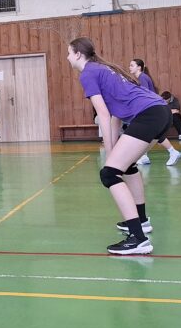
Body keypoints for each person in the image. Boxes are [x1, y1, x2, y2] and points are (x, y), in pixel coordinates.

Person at [68, 38, 168, 255]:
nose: (67, 57)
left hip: (149, 115)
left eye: (69, 53)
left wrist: (109, 154)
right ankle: (141, 221)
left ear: (77, 54)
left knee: (109, 174)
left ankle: (138, 239)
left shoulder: (88, 73)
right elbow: (115, 116)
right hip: (161, 113)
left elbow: (103, 115)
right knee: (127, 166)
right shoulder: (103, 69)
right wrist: (112, 149)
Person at [129, 59, 181, 166]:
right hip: (152, 108)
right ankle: (144, 156)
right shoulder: (142, 78)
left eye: (132, 65)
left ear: (139, 67)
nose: (129, 67)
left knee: (151, 132)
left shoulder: (142, 78)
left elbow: (144, 96)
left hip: (151, 109)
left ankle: (172, 152)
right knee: (149, 133)